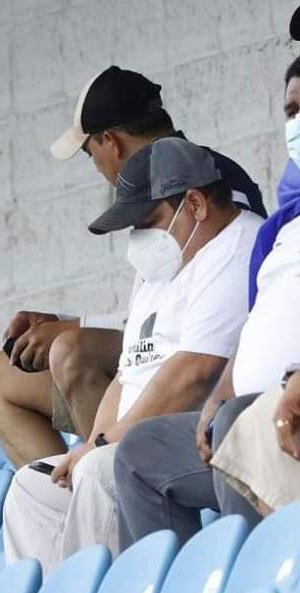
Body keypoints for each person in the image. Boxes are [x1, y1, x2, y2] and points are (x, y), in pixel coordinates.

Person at [0, 66, 265, 467]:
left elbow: (202, 312)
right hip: (150, 349)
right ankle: (69, 494)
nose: (94, 166)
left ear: (109, 141)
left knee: (70, 350)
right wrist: (65, 320)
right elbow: (151, 312)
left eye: (89, 153)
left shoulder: (209, 182)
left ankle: (109, 477)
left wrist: (71, 331)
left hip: (199, 357)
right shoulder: (149, 194)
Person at [1, 137, 261, 573]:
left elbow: (191, 374)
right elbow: (126, 375)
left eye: (148, 221)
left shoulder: (236, 247)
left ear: (194, 204)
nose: (140, 238)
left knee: (100, 470)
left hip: (196, 436)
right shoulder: (157, 272)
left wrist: (103, 445)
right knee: (32, 488)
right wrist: (87, 443)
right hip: (132, 436)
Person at [115, 56, 300, 545]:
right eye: (291, 110)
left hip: (288, 410)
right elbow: (259, 323)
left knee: (238, 423)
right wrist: (218, 396)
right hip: (254, 409)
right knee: (139, 453)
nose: (296, 123)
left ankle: (258, 585)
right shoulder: (281, 229)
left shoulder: (242, 239)